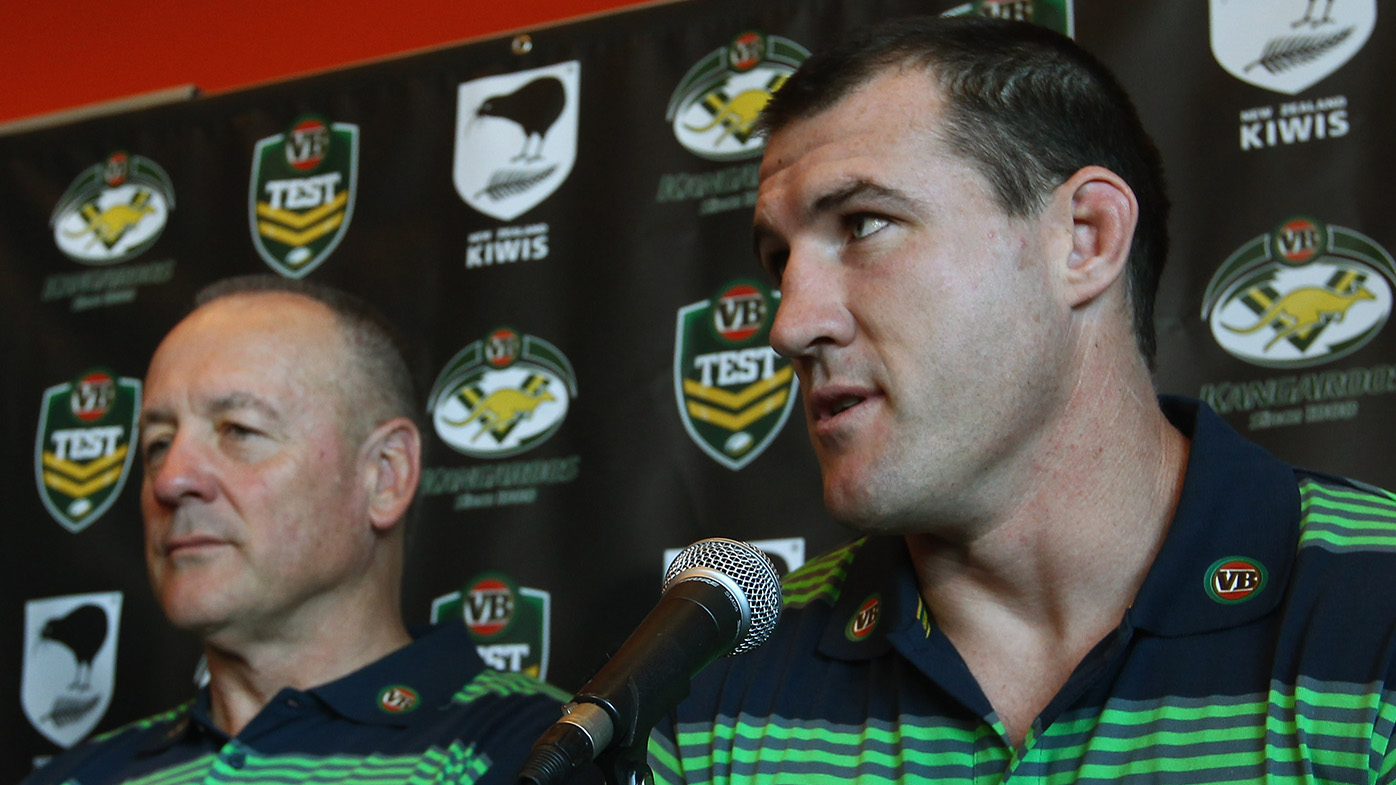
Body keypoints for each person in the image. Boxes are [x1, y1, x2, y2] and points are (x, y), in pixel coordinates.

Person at [649, 15, 1396, 784]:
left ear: (1085, 236)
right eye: (780, 261)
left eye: (865, 224)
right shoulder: (719, 690)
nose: (790, 325)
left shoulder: (1377, 611)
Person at [22, 276, 586, 785]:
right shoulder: (75, 777)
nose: (171, 480)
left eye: (238, 430)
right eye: (157, 444)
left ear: (385, 475)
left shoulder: (542, 752)